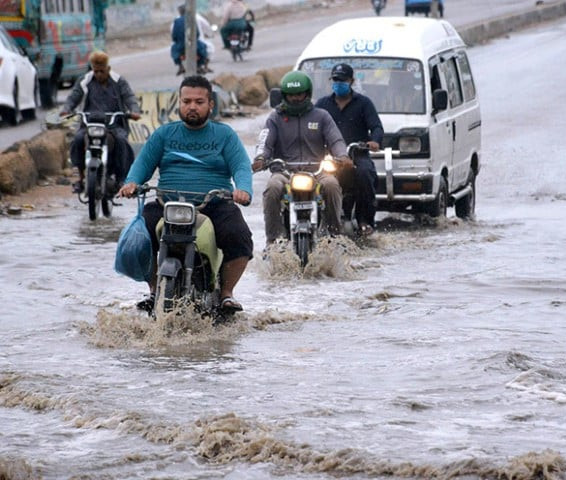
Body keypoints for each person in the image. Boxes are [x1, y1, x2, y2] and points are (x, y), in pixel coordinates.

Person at [117, 75, 253, 314]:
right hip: (167, 202)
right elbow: (143, 164)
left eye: (199, 102)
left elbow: (241, 166)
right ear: (178, 103)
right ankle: (153, 289)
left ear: (211, 104)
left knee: (239, 236)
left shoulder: (225, 135)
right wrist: (131, 183)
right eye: (186, 101)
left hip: (213, 204)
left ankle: (226, 293)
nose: (192, 106)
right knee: (140, 238)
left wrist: (242, 190)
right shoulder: (163, 134)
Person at [252, 71, 351, 246]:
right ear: (284, 95)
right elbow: (265, 142)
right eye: (291, 95)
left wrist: (342, 156)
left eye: (299, 94)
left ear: (307, 93)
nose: (295, 98)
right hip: (284, 172)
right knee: (272, 188)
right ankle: (273, 240)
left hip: (317, 171)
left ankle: (335, 235)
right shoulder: (275, 118)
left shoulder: (322, 116)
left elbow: (336, 140)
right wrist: (261, 158)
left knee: (332, 185)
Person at [315, 63, 384, 236]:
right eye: (335, 80)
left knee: (365, 175)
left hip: (356, 155)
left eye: (342, 80)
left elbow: (376, 127)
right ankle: (310, 221)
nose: (339, 83)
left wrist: (374, 141)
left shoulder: (364, 103)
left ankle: (365, 220)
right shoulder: (322, 104)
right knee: (308, 178)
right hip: (329, 157)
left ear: (351, 81)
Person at [61, 50, 141, 194]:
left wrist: (134, 111)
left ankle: (121, 179)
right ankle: (80, 178)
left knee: (122, 141)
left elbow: (129, 97)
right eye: (96, 71)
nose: (98, 74)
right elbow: (73, 97)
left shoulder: (119, 81)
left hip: (113, 125)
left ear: (107, 68)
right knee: (78, 139)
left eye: (101, 71)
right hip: (90, 124)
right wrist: (67, 109)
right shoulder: (84, 80)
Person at [171, 4, 209, 75]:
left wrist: (177, 41)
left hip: (181, 46)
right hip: (194, 44)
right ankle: (200, 65)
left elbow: (174, 36)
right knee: (204, 48)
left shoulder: (176, 21)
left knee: (174, 50)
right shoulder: (192, 19)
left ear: (180, 12)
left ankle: (180, 66)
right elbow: (197, 33)